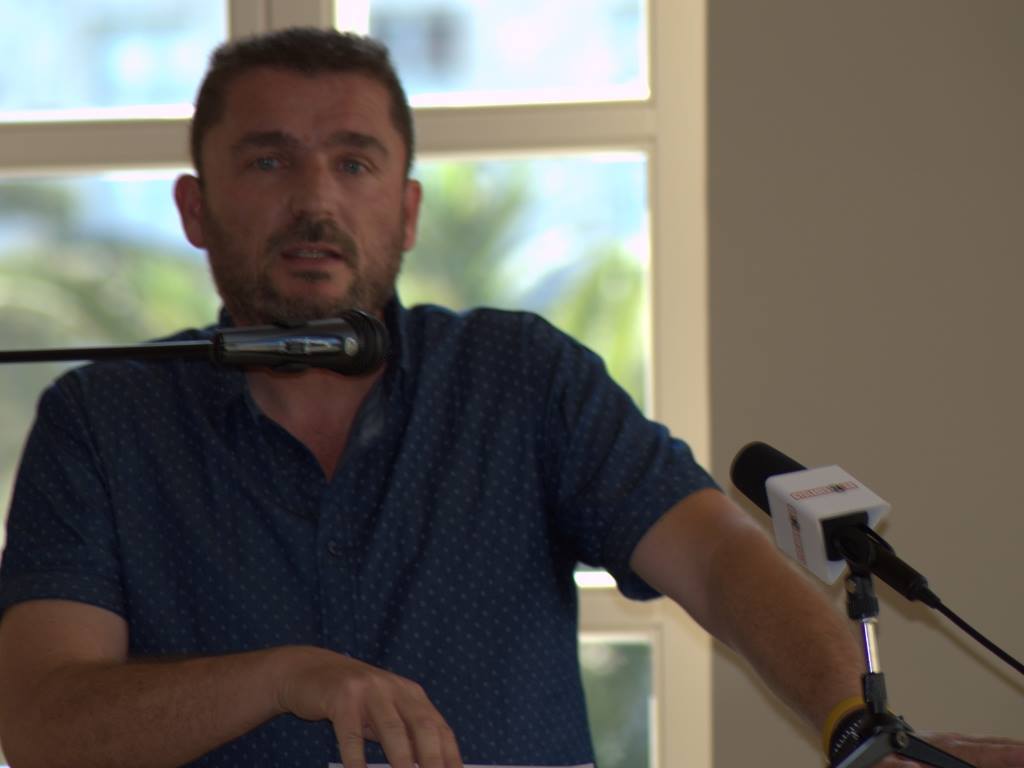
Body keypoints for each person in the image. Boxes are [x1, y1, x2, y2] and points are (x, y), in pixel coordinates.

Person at [0, 27, 1019, 768]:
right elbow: (43, 723)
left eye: (354, 162)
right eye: (268, 160)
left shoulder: (518, 378)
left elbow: (717, 560)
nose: (315, 199)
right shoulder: (103, 420)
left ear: (407, 212)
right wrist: (281, 677)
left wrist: (858, 737)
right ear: (194, 207)